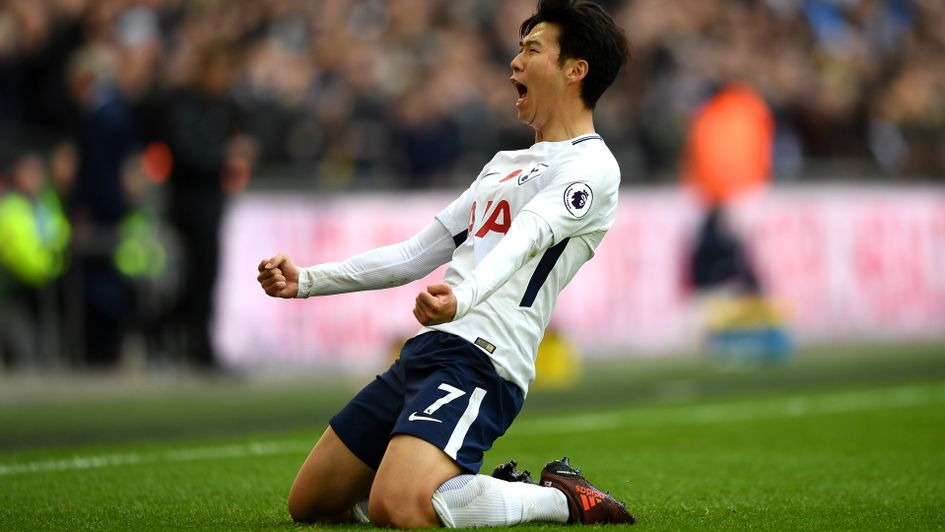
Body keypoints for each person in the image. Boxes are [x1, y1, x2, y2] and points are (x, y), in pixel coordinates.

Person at [257, 0, 633, 527]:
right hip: (427, 352)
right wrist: (307, 281)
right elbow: (415, 253)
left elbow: (526, 239)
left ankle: (561, 499)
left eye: (531, 50)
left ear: (575, 70)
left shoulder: (592, 166)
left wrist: (463, 297)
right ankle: (457, 493)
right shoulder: (504, 166)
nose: (514, 64)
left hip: (484, 359)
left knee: (397, 505)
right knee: (312, 504)